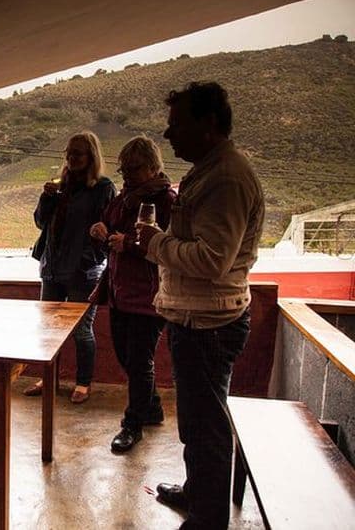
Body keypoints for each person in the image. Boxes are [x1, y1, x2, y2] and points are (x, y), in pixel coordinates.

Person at [138, 82, 264, 529]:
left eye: (177, 124)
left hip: (208, 324)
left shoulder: (226, 178)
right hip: (199, 318)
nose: (168, 134)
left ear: (208, 123)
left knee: (205, 427)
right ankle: (197, 494)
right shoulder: (210, 170)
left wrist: (156, 244)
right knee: (197, 421)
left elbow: (212, 259)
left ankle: (207, 520)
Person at [89, 136, 176, 452]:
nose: (126, 175)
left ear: (153, 167)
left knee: (139, 362)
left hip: (148, 297)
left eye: (134, 169)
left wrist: (127, 244)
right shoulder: (124, 197)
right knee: (127, 357)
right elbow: (110, 229)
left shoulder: (166, 201)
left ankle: (132, 425)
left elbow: (167, 247)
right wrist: (100, 231)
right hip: (119, 292)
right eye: (124, 169)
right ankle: (151, 407)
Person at [25, 131, 116, 404]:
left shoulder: (103, 188)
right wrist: (46, 198)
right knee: (49, 329)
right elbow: (40, 222)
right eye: (68, 152)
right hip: (52, 269)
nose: (71, 158)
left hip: (82, 273)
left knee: (80, 330)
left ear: (91, 156)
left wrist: (87, 259)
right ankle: (48, 378)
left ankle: (83, 382)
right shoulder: (60, 186)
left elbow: (106, 228)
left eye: (77, 153)